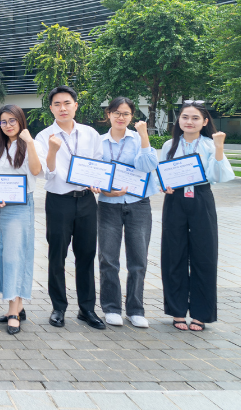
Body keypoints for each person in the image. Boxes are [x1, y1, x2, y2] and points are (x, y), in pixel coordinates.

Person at [34, 86, 106, 330]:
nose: (62, 108)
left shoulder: (90, 133)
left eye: (67, 103)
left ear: (76, 105)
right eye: (57, 104)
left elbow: (99, 163)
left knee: (86, 254)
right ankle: (58, 308)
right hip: (59, 200)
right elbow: (45, 172)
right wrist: (53, 151)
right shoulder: (44, 137)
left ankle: (87, 309)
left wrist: (97, 181)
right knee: (57, 255)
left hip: (86, 200)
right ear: (51, 108)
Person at [160, 101, 233, 332]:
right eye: (185, 117)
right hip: (175, 200)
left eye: (194, 118)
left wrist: (219, 147)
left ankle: (201, 314)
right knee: (174, 254)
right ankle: (177, 311)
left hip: (201, 198)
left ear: (205, 121)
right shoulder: (169, 145)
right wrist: (164, 185)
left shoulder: (210, 145)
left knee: (205, 255)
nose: (189, 122)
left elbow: (218, 176)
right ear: (178, 120)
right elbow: (162, 173)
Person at [96, 97, 159, 328]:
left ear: (132, 117)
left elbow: (148, 165)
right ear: (108, 114)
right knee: (108, 258)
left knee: (138, 259)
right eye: (116, 113)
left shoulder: (138, 139)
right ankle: (111, 308)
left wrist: (144, 136)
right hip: (108, 204)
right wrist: (104, 189)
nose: (120, 117)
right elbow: (94, 173)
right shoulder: (99, 142)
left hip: (138, 204)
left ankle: (135, 310)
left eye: (125, 114)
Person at [0, 105, 42, 335]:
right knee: (2, 254)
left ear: (20, 121)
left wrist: (30, 143)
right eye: (3, 122)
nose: (8, 125)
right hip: (0, 208)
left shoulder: (29, 144)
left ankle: (13, 312)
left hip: (20, 208)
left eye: (12, 121)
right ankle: (19, 307)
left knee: (14, 257)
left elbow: (35, 171)